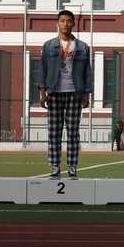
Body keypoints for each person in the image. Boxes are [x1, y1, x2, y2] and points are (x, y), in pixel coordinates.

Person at [37, 10, 93, 180]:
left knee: (73, 133)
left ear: (73, 24)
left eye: (69, 21)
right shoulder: (48, 46)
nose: (66, 24)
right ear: (58, 23)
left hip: (75, 93)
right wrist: (42, 91)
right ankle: (55, 167)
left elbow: (87, 72)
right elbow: (43, 68)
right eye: (62, 21)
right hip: (54, 92)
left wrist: (86, 94)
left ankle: (72, 167)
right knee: (54, 132)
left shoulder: (82, 47)